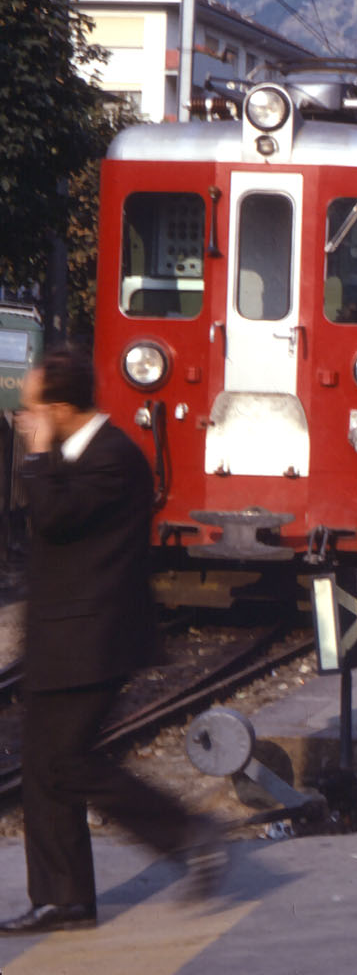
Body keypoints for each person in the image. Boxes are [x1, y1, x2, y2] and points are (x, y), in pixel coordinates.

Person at [3, 349, 224, 934]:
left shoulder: (111, 458)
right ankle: (64, 899)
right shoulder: (83, 454)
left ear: (59, 408)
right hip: (63, 638)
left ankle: (183, 832)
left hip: (93, 639)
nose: (24, 421)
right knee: (44, 769)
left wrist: (37, 452)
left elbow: (53, 517)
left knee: (67, 762)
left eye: (31, 410)